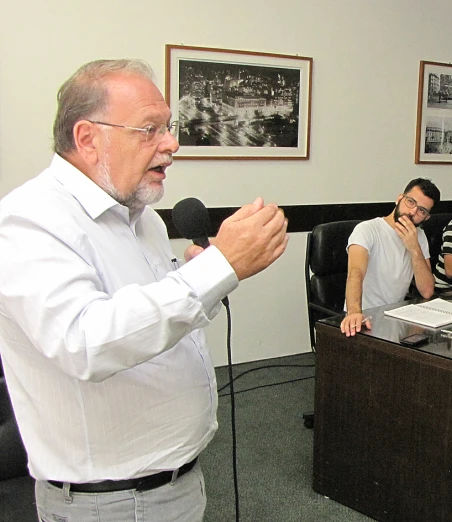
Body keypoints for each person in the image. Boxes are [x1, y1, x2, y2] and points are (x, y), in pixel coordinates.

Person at [0, 60, 288, 521]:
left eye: (168, 127)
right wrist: (217, 268)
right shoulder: (29, 220)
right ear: (88, 139)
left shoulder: (143, 217)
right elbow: (86, 342)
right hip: (110, 502)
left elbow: (152, 325)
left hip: (175, 480)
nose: (172, 143)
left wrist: (210, 281)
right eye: (149, 129)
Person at [340, 179, 440, 336]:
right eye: (410, 202)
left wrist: (414, 248)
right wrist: (354, 312)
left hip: (397, 319)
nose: (413, 211)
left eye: (422, 210)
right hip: (364, 317)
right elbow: (355, 273)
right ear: (399, 198)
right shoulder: (367, 230)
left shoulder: (419, 236)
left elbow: (427, 291)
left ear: (426, 218)